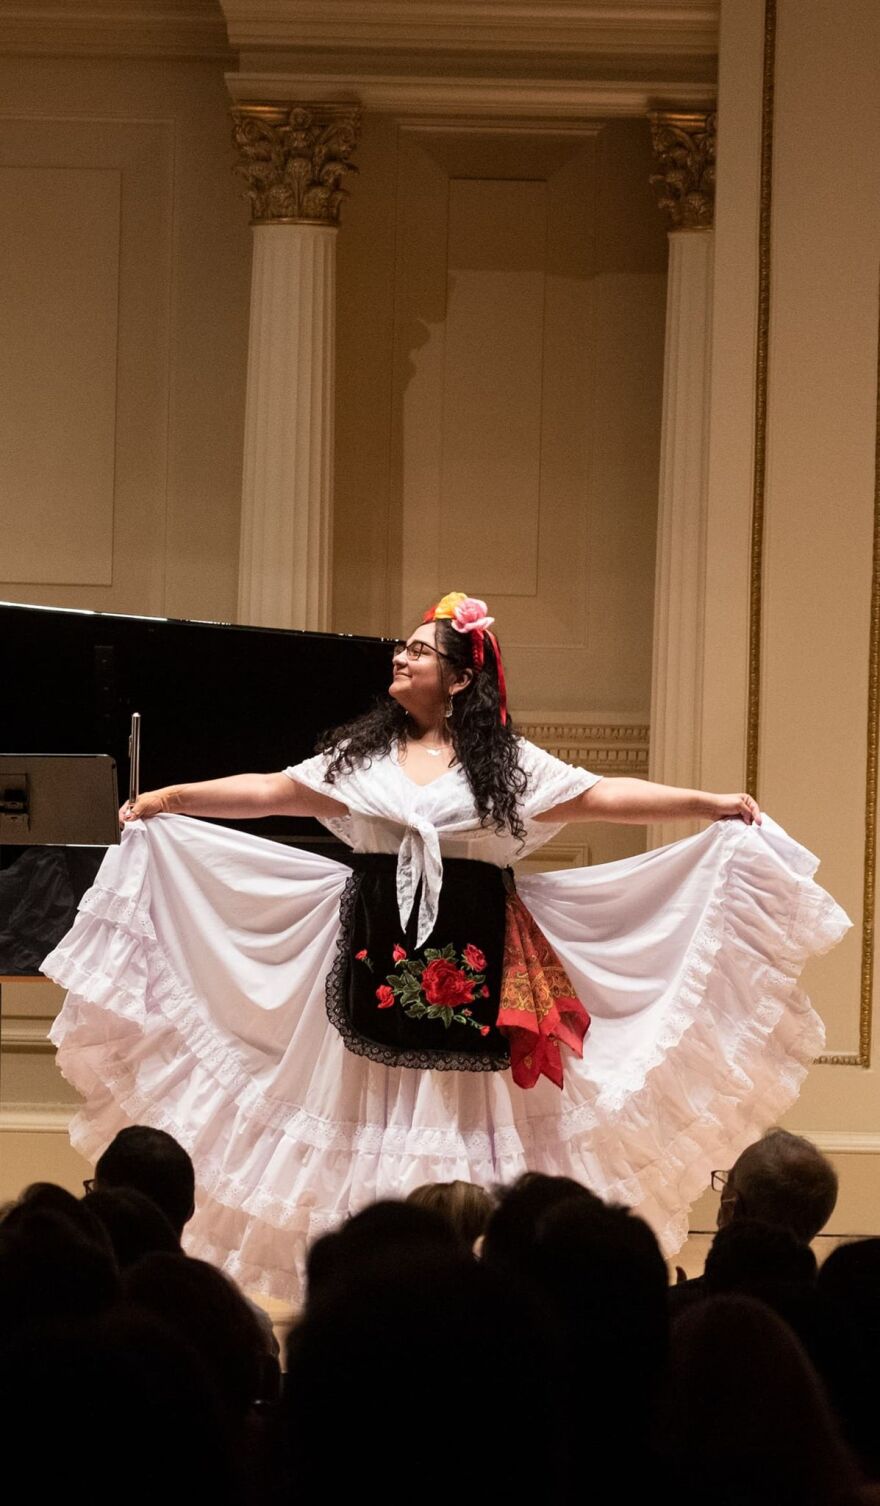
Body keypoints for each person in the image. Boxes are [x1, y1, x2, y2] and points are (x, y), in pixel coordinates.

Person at [43, 591, 850, 1301]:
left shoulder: (508, 768)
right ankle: (378, 1283)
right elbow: (275, 790)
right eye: (405, 647)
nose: (400, 656)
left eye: (420, 650)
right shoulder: (362, 757)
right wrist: (169, 798)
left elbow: (601, 796)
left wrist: (708, 804)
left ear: (461, 677)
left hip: (480, 968)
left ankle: (474, 1291)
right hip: (368, 963)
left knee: (471, 1122)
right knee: (363, 1109)